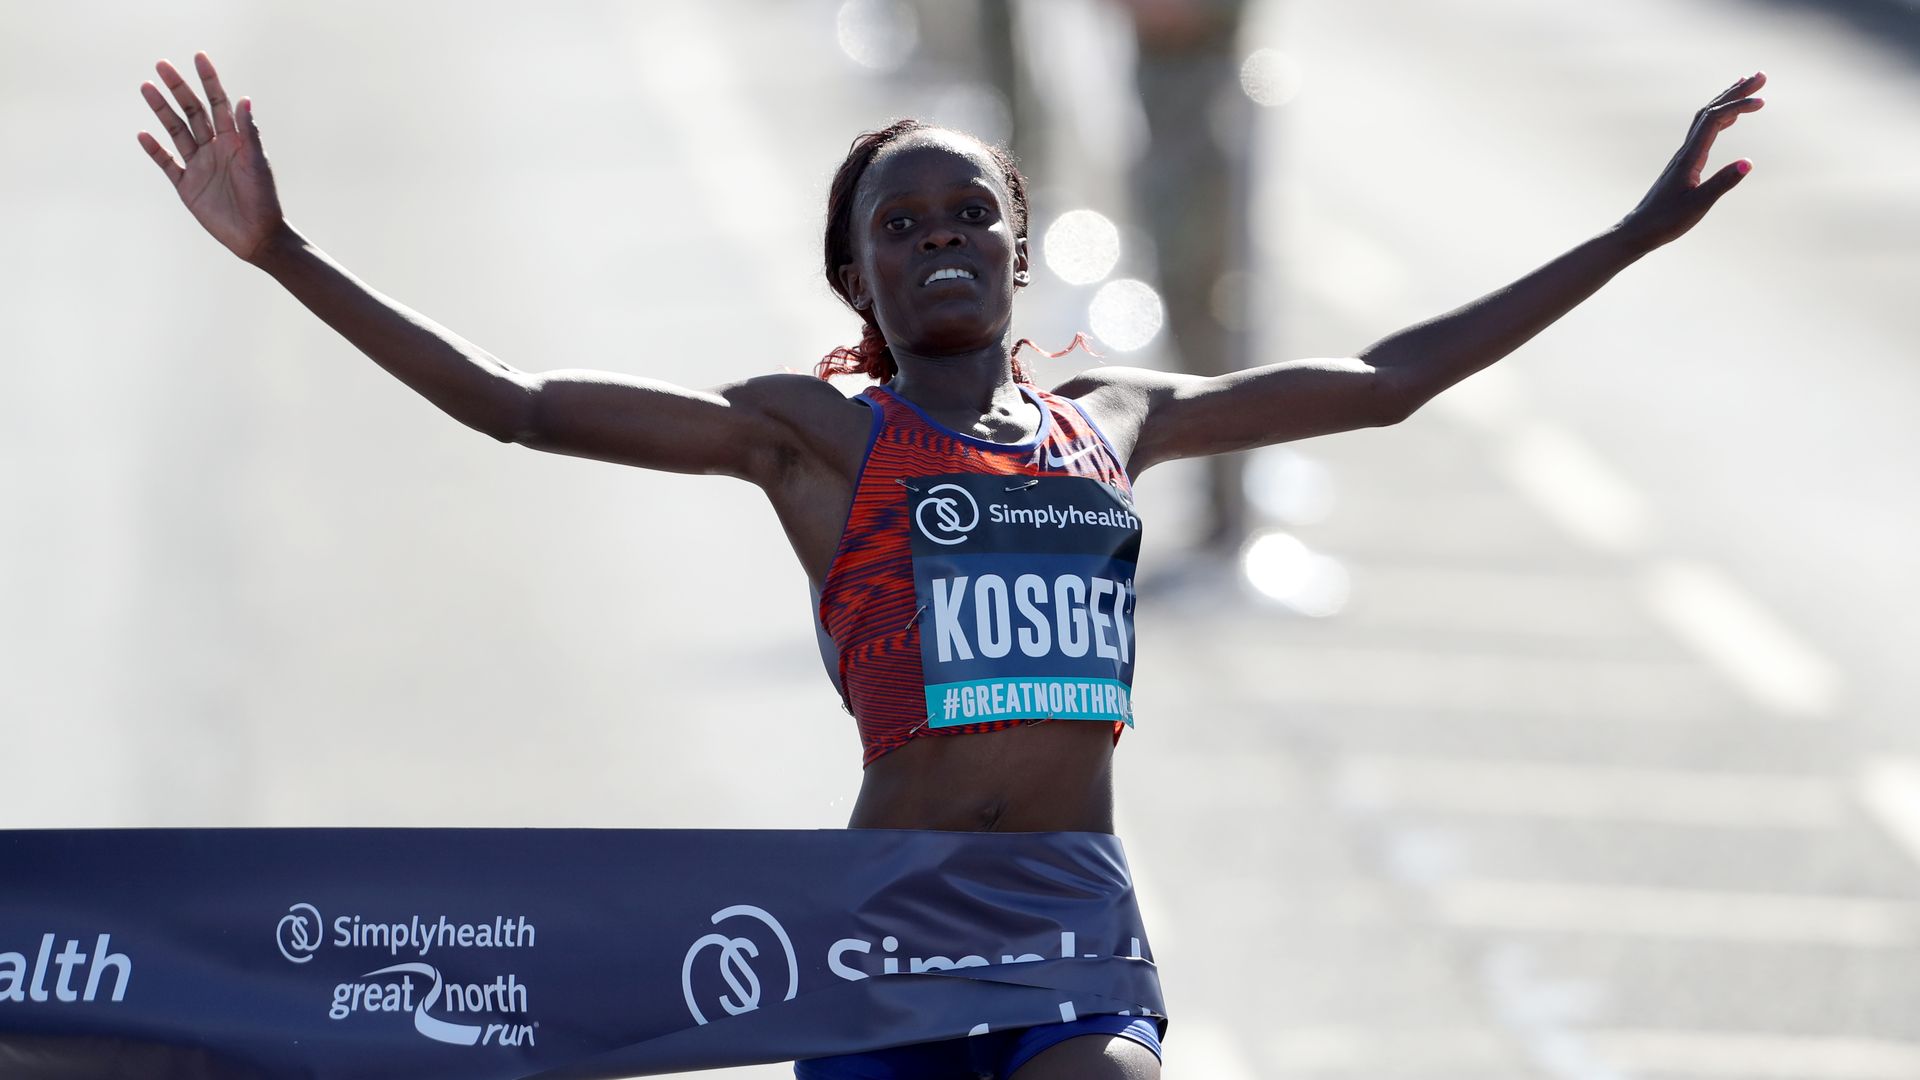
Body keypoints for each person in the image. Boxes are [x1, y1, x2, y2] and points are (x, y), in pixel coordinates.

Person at [136, 49, 1766, 1080]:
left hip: (1066, 919)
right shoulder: (814, 441)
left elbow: (1386, 380)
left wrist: (1629, 235)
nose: (938, 242)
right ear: (857, 281)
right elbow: (518, 406)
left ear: (1019, 243)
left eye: (966, 216)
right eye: (900, 228)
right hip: (879, 936)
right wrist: (284, 253)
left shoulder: (1113, 421)